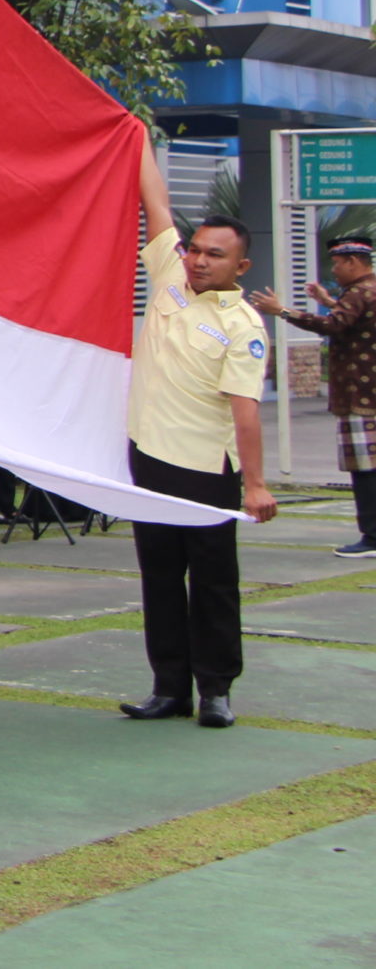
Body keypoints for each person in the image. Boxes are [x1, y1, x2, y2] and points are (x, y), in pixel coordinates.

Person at [122, 144, 276, 729]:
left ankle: (215, 689)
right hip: (150, 460)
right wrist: (134, 135)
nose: (198, 260)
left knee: (212, 582)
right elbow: (155, 201)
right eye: (194, 249)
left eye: (215, 255)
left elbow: (245, 412)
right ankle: (168, 687)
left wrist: (256, 485)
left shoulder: (243, 326)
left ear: (241, 267)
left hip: (207, 471)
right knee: (158, 578)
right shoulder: (167, 275)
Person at [251, 235, 376, 558]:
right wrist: (332, 300)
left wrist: (282, 311)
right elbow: (354, 322)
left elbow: (333, 326)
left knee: (364, 470)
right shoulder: (367, 290)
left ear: (352, 262)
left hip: (359, 398)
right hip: (368, 395)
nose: (334, 270)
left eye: (337, 263)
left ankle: (372, 537)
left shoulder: (359, 292)